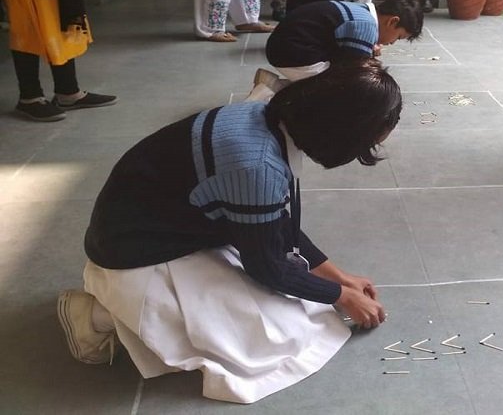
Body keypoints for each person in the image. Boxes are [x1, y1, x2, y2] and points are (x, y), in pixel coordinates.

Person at [56, 60, 399, 404]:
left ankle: (131, 308)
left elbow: (276, 220)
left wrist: (339, 277)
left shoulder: (264, 115)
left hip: (158, 225)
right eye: (362, 145)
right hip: (134, 253)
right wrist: (341, 296)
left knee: (291, 306)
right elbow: (267, 268)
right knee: (267, 338)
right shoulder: (256, 165)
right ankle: (97, 318)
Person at [261, 0, 423, 88]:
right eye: (398, 37)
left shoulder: (362, 11)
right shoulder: (367, 26)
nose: (392, 43)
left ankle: (272, 85)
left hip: (287, 46)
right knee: (343, 87)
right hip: (291, 52)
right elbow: (356, 71)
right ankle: (274, 90)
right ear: (392, 21)